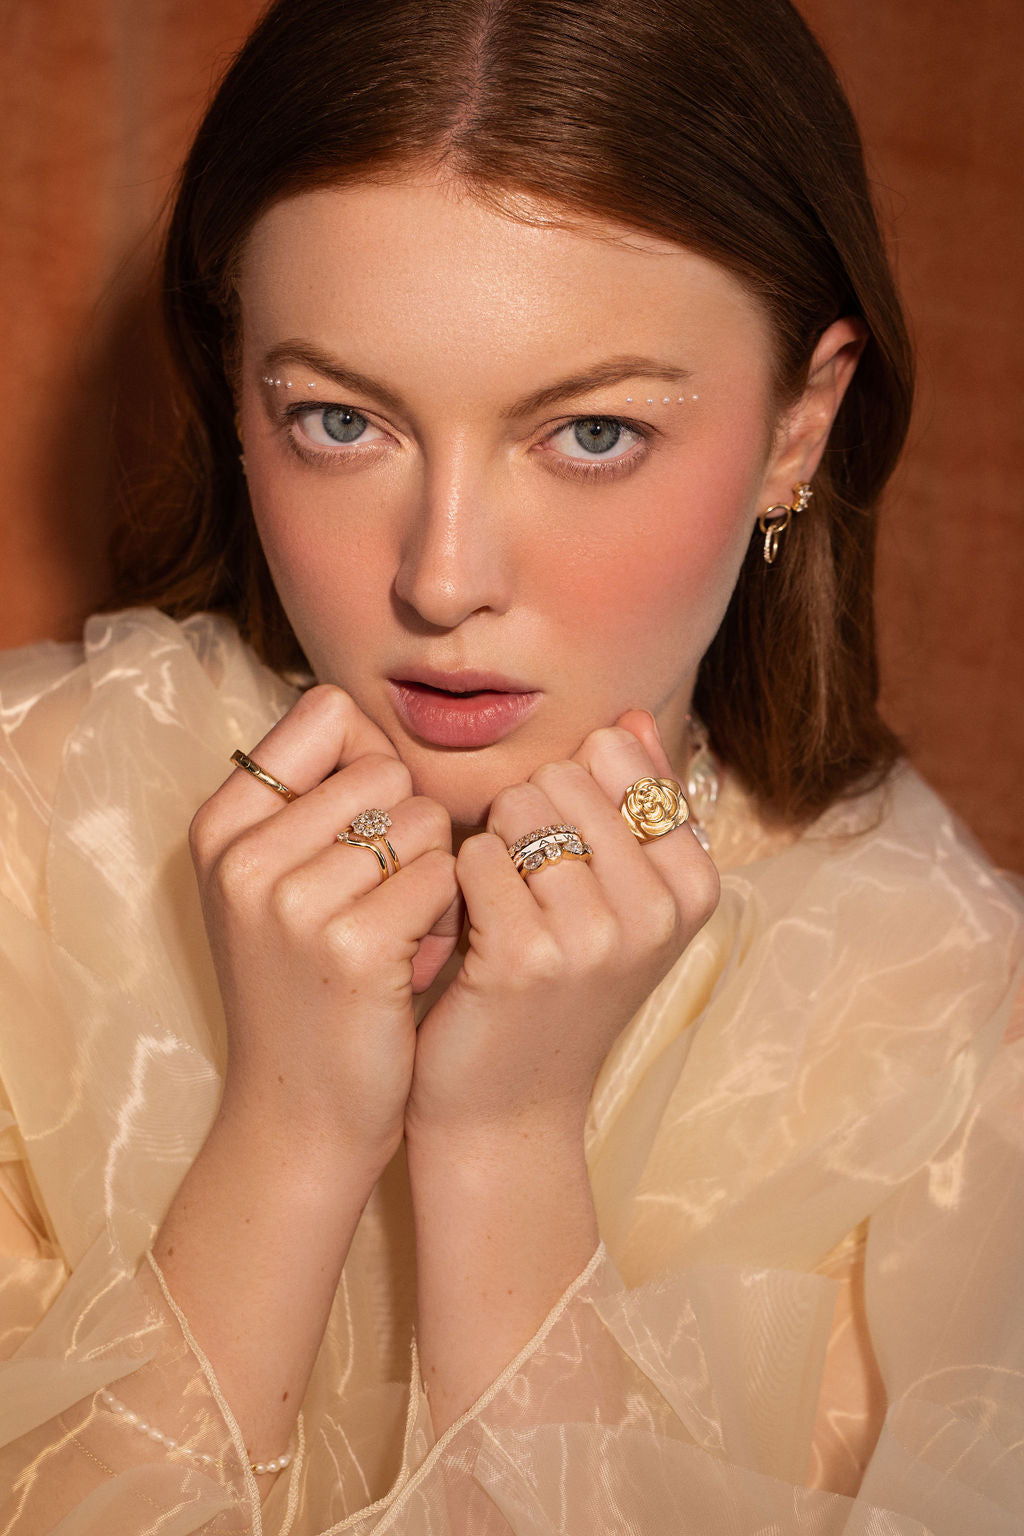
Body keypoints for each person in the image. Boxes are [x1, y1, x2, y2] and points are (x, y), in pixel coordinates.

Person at [0, 0, 1021, 1530]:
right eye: (340, 419)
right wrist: (285, 1139)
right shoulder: (29, 845)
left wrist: (501, 1153)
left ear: (800, 424)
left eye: (592, 435)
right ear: (237, 397)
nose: (444, 577)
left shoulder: (951, 1032)